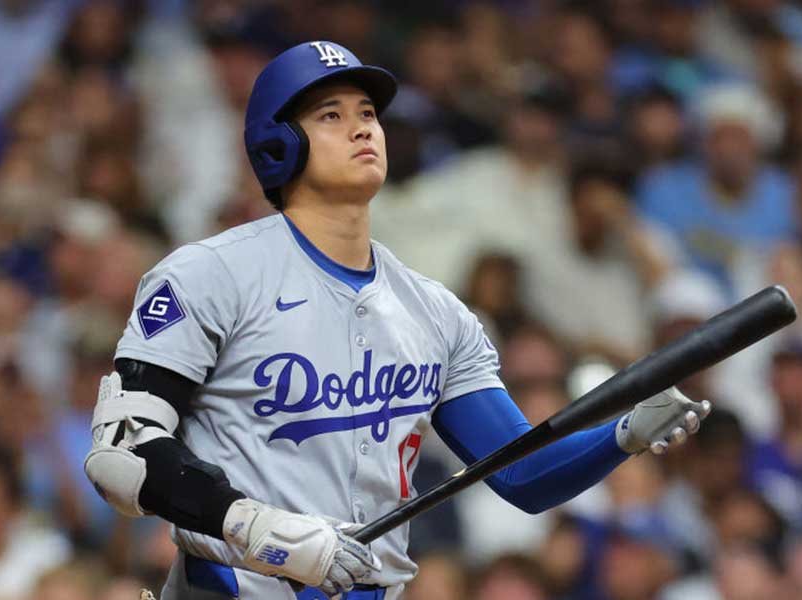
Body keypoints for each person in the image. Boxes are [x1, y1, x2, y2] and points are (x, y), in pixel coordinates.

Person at [83, 41, 711, 600]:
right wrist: (264, 531)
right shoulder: (209, 273)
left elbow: (521, 472)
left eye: (367, 113)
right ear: (279, 144)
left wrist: (622, 435)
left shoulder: (435, 312)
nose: (363, 129)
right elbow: (123, 457)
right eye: (331, 115)